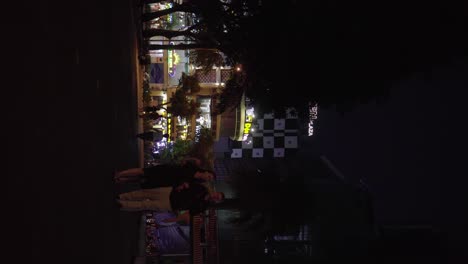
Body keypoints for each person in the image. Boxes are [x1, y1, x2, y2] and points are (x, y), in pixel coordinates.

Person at [117, 182, 225, 213]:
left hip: (170, 205)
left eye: (217, 198)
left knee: (146, 204)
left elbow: (192, 211)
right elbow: (188, 184)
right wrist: (182, 186)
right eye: (217, 194)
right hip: (170, 192)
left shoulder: (203, 206)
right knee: (145, 193)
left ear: (215, 201)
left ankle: (122, 204)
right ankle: (123, 196)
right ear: (216, 192)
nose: (215, 196)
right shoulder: (202, 188)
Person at [114, 158, 215, 187]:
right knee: (143, 171)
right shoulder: (195, 166)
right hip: (167, 170)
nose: (208, 179)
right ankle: (120, 174)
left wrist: (183, 185)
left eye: (209, 180)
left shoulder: (194, 182)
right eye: (209, 176)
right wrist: (191, 159)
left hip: (166, 181)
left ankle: (122, 180)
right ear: (207, 172)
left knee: (142, 180)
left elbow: (180, 186)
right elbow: (183, 160)